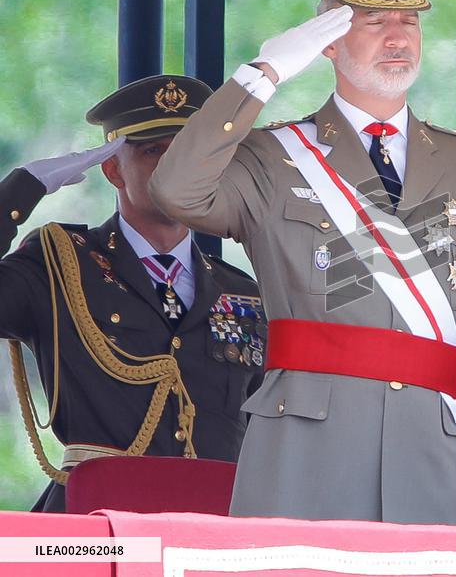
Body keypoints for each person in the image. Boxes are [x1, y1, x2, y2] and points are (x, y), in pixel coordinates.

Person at [148, 0, 456, 526]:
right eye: (375, 21)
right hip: (305, 452)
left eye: (410, 19)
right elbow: (175, 191)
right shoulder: (273, 157)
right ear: (326, 40)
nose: (398, 37)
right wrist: (262, 74)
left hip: (434, 456)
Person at [0, 75, 265, 512]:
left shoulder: (242, 292)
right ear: (112, 169)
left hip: (214, 526)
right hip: (100, 521)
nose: (174, 167)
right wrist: (19, 192)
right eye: (154, 151)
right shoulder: (60, 264)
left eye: (188, 153)